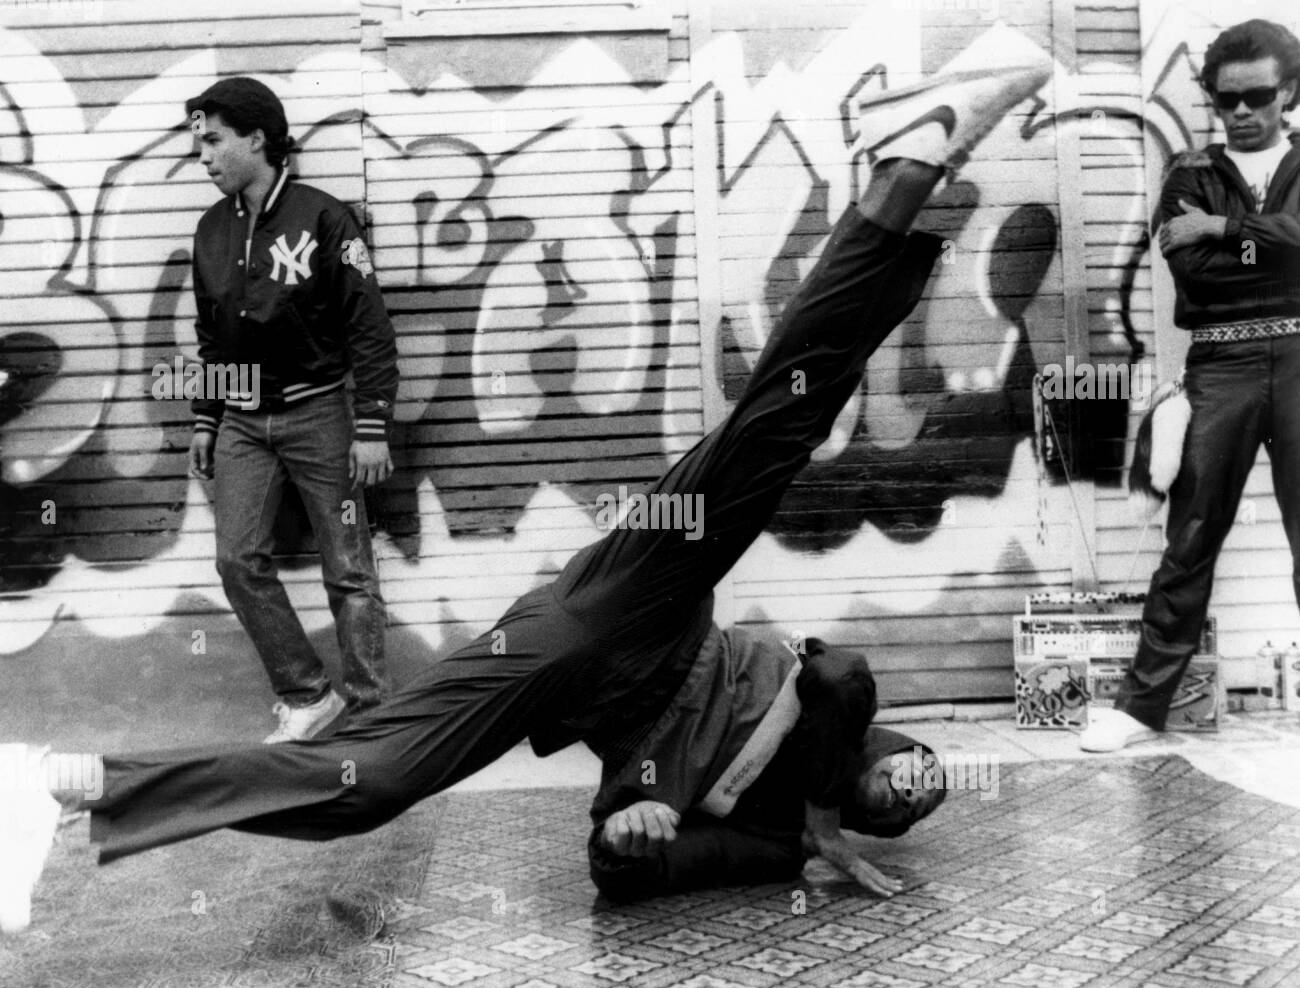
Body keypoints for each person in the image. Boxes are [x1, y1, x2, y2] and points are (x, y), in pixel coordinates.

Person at [0, 25, 1053, 934]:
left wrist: (643, 826)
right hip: (645, 601)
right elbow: (842, 676)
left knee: (374, 783)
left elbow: (619, 862)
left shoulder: (777, 837)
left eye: (906, 806)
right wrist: (824, 810)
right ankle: (909, 166)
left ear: (880, 824)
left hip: (575, 662)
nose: (913, 787)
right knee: (777, 425)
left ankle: (74, 784)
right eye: (921, 774)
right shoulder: (837, 727)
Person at [1083, 19, 1300, 752]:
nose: (1240, 112)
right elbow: (1194, 273)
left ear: (1289, 91)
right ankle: (1140, 707)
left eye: (1257, 96)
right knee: (1192, 536)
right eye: (1224, 99)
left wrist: (1224, 229)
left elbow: (1227, 253)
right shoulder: (1189, 173)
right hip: (1221, 361)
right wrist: (1261, 240)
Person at [187, 77, 400, 743]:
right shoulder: (211, 230)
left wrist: (372, 423)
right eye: (199, 144)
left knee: (349, 570)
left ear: (257, 138)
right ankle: (308, 694)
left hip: (320, 416)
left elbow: (369, 328)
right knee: (237, 560)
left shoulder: (324, 217)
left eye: (214, 140)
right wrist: (207, 417)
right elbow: (212, 335)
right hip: (243, 424)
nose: (204, 156)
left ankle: (372, 717)